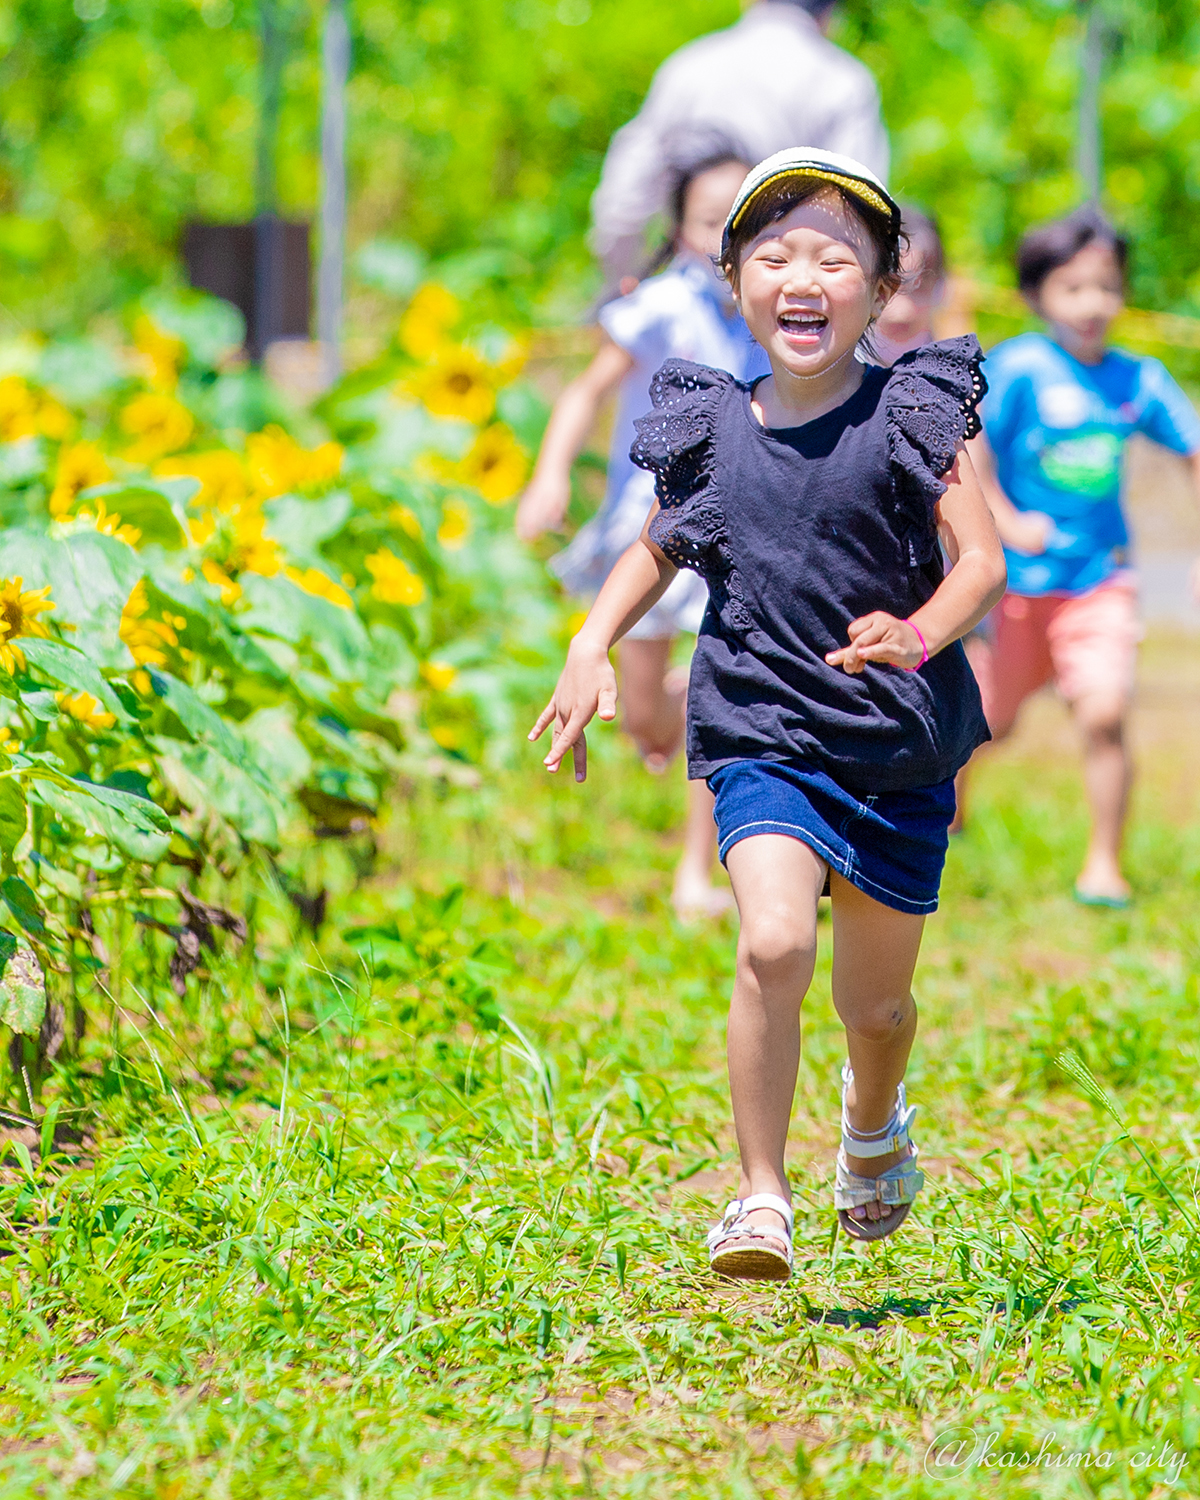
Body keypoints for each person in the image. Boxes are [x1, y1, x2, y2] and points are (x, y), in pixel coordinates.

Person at [530, 149, 1006, 1279]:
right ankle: (758, 1197)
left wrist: (920, 632)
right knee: (776, 941)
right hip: (760, 729)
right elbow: (656, 548)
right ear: (730, 274)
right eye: (776, 254)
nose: (806, 277)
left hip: (893, 744)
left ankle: (871, 1124)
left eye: (838, 258)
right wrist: (591, 643)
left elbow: (980, 559)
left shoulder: (915, 410)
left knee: (876, 1008)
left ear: (883, 290)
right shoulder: (710, 422)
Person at [517, 149, 767, 921]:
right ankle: (673, 717)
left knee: (712, 692)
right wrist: (551, 474)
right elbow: (588, 389)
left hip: (732, 526)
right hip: (649, 525)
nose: (722, 236)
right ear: (682, 229)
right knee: (652, 721)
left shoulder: (776, 311)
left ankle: (699, 872)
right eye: (707, 220)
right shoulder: (659, 306)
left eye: (740, 221)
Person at [958, 207, 1200, 907]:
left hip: (1100, 580)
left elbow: (1191, 450)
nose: (1093, 304)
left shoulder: (1139, 380)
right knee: (983, 723)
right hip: (1015, 590)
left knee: (1103, 712)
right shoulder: (1020, 368)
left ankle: (1103, 865)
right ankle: (952, 816)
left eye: (1106, 286)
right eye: (1072, 288)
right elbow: (970, 443)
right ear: (1037, 296)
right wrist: (1002, 517)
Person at [591, 0, 888, 289]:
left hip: (695, 281)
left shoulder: (690, 67)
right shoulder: (842, 81)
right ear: (831, 14)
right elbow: (861, 208)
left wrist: (625, 279)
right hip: (789, 293)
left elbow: (625, 199)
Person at [872, 206, 946, 366]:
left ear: (942, 286)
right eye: (889, 289)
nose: (903, 312)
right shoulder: (826, 384)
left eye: (919, 288)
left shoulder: (959, 383)